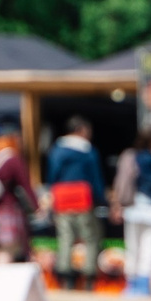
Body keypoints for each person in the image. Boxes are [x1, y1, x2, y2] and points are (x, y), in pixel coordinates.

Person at [43, 116, 102, 290]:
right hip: (82, 197)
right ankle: (89, 275)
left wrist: (51, 194)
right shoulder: (88, 151)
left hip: (61, 197)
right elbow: (95, 178)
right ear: (81, 130)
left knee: (65, 237)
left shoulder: (57, 150)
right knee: (89, 238)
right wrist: (100, 199)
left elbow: (52, 176)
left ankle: (65, 276)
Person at [0, 131, 33, 258]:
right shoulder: (12, 159)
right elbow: (26, 185)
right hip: (8, 210)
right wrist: (36, 207)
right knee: (8, 250)